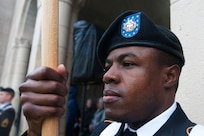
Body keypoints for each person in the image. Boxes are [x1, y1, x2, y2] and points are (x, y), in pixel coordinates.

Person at [19, 10, 204, 136]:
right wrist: (36, 131)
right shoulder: (104, 131)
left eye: (128, 63)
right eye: (107, 66)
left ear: (170, 76)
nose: (107, 76)